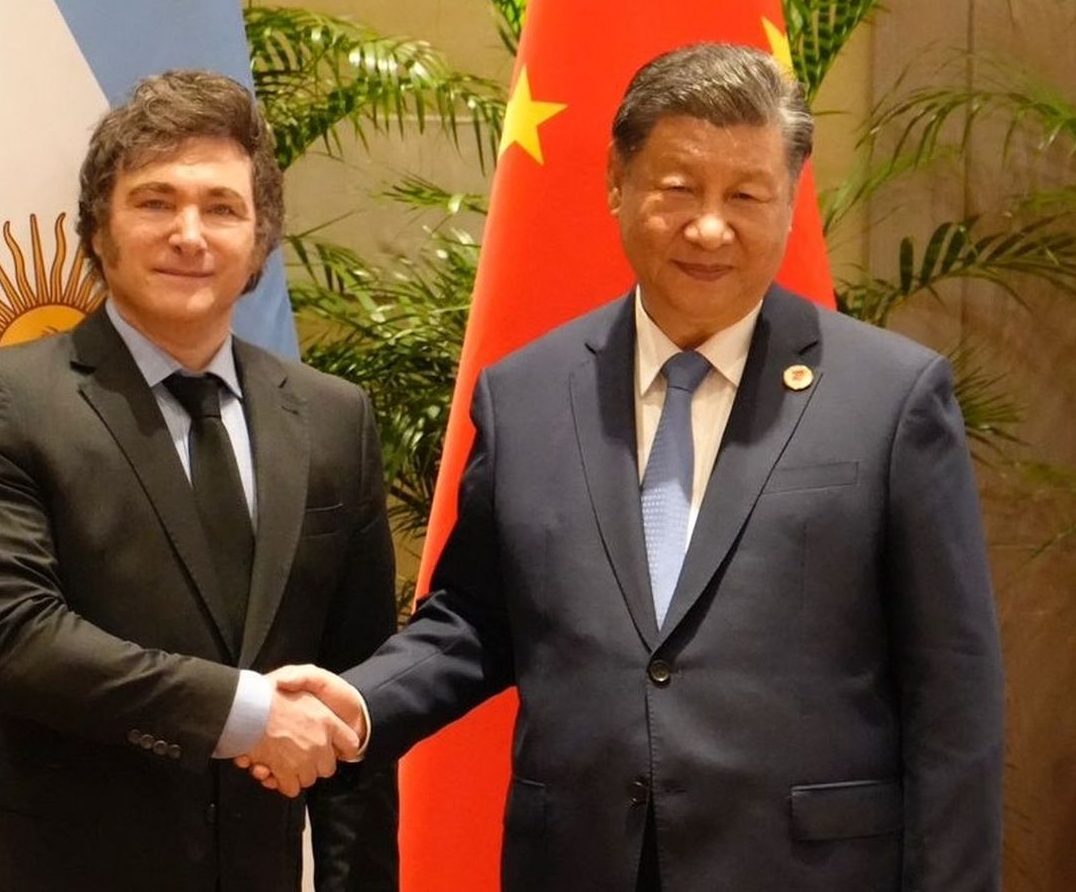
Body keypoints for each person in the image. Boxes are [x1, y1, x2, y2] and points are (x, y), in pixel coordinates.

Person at [250, 43, 1005, 892]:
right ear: (618, 182)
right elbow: (473, 617)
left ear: (790, 203)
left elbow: (955, 695)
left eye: (746, 195)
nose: (710, 227)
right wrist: (357, 703)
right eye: (679, 188)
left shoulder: (891, 399)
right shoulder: (528, 395)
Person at [0, 70, 399, 892]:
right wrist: (244, 714)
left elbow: (351, 692)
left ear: (259, 240)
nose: (190, 233)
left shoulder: (332, 419)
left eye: (221, 207)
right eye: (154, 202)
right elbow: (10, 638)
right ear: (99, 230)